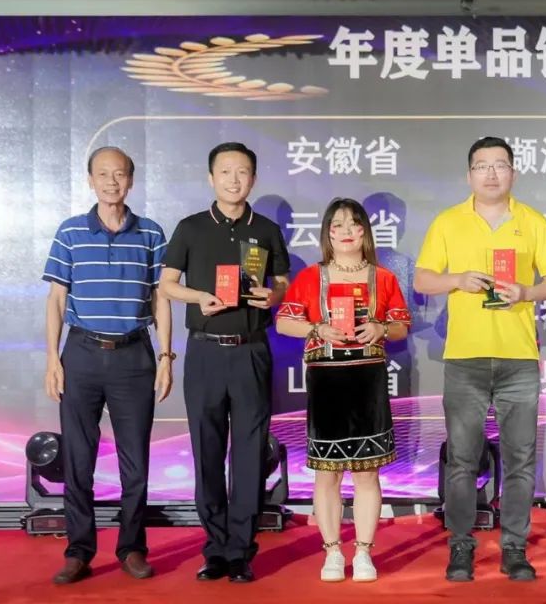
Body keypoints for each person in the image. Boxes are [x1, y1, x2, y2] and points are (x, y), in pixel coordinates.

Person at [414, 136, 546, 582]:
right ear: (469, 175)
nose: (492, 174)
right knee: (462, 460)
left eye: (500, 165)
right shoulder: (448, 222)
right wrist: (457, 280)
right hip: (465, 358)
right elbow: (422, 279)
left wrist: (527, 291)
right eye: (483, 166)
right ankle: (461, 547)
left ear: (513, 173)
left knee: (521, 460)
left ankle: (514, 549)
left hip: (519, 357)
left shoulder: (532, 221)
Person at [159, 141, 289, 583]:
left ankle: (241, 551)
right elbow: (167, 285)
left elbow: (283, 281)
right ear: (211, 177)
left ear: (253, 178)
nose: (235, 180)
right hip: (205, 350)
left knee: (250, 452)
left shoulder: (266, 229)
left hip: (251, 349)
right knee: (207, 450)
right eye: (226, 171)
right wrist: (199, 297)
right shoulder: (191, 227)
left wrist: (273, 295)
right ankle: (215, 549)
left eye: (243, 172)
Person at [42, 146, 173, 584]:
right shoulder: (70, 232)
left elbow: (161, 299)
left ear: (131, 180)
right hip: (80, 354)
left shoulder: (151, 233)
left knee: (135, 462)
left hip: (134, 357)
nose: (111, 182)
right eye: (103, 174)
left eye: (119, 174)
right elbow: (56, 300)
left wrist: (166, 357)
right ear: (90, 180)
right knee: (78, 460)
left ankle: (132, 547)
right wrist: (52, 359)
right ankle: (78, 550)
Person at [276, 198, 410, 583]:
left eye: (354, 224)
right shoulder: (311, 277)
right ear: (327, 233)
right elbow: (284, 323)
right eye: (338, 224)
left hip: (368, 382)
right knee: (328, 474)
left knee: (367, 473)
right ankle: (332, 551)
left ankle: (364, 551)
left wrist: (382, 328)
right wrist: (317, 329)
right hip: (327, 383)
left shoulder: (383, 278)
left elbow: (401, 327)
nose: (347, 231)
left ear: (365, 231)